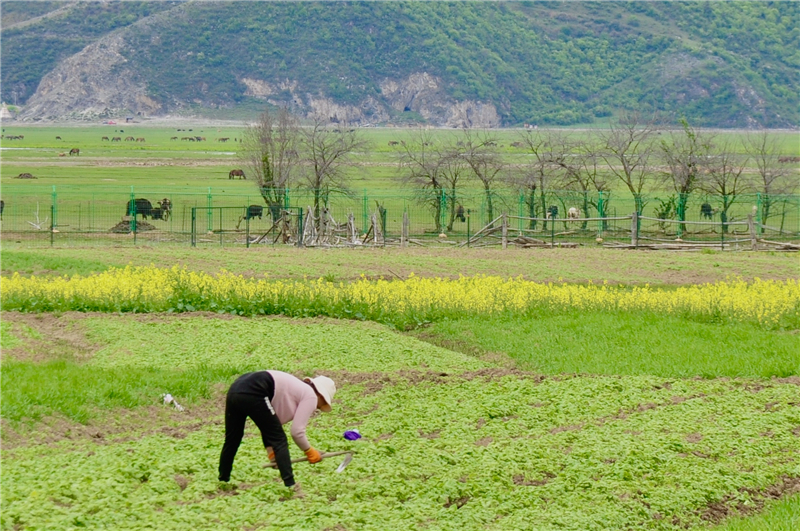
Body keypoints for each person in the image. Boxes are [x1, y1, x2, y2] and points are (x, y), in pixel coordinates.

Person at [218, 371, 336, 497]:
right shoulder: (311, 395)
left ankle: (223, 479)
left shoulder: (294, 389)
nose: (317, 408)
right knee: (280, 439)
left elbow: (269, 425)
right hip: (255, 390)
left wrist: (273, 454)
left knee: (233, 439)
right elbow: (297, 432)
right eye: (322, 405)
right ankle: (291, 486)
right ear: (321, 396)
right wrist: (309, 451)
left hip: (235, 389)